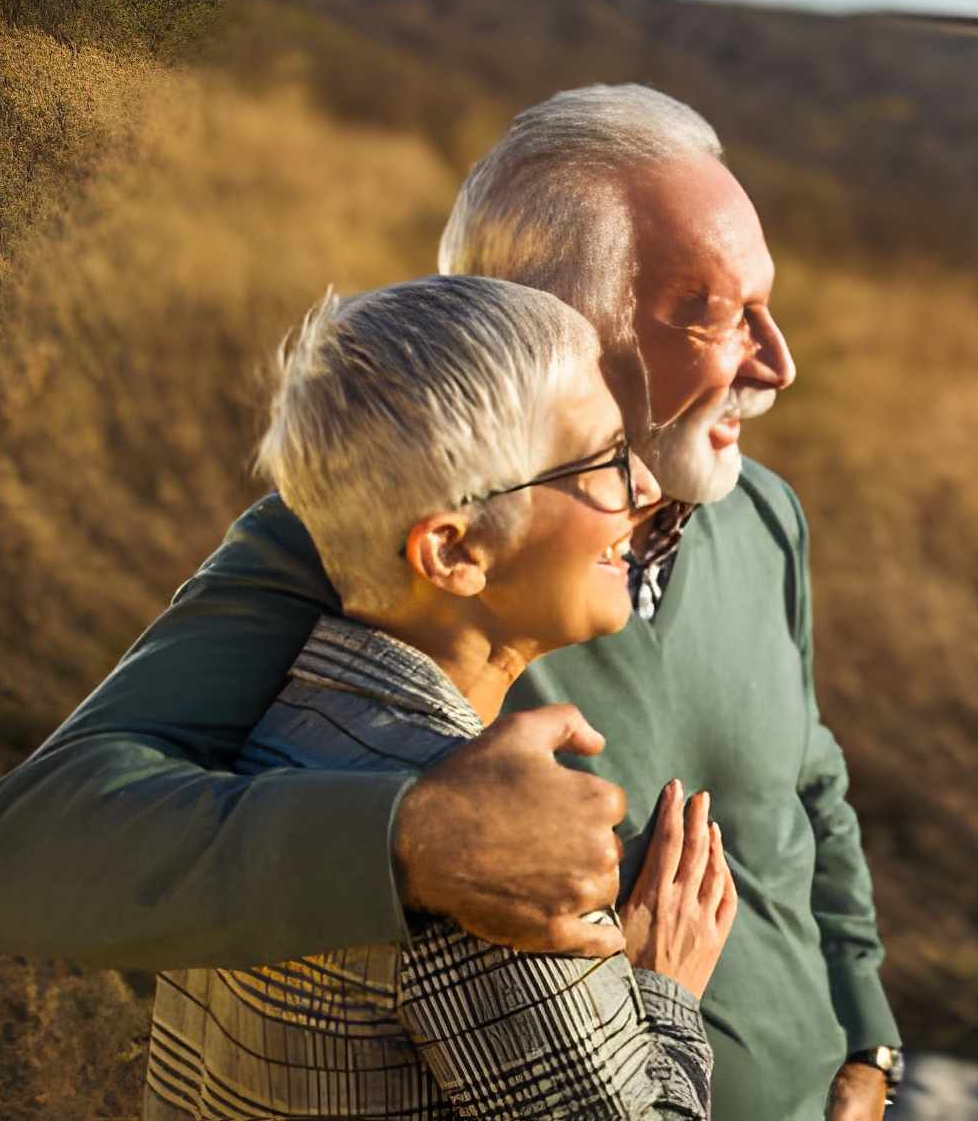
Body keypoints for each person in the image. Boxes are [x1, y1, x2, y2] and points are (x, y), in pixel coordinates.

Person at [0, 86, 904, 1120]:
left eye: (766, 306)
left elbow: (809, 783)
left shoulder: (763, 512)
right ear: (542, 322)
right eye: (711, 312)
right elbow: (16, 860)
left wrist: (867, 1044)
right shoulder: (347, 543)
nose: (778, 364)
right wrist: (411, 839)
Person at [147, 275, 731, 1118]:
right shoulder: (491, 864)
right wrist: (662, 990)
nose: (644, 489)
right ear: (454, 552)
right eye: (602, 459)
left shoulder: (260, 721)